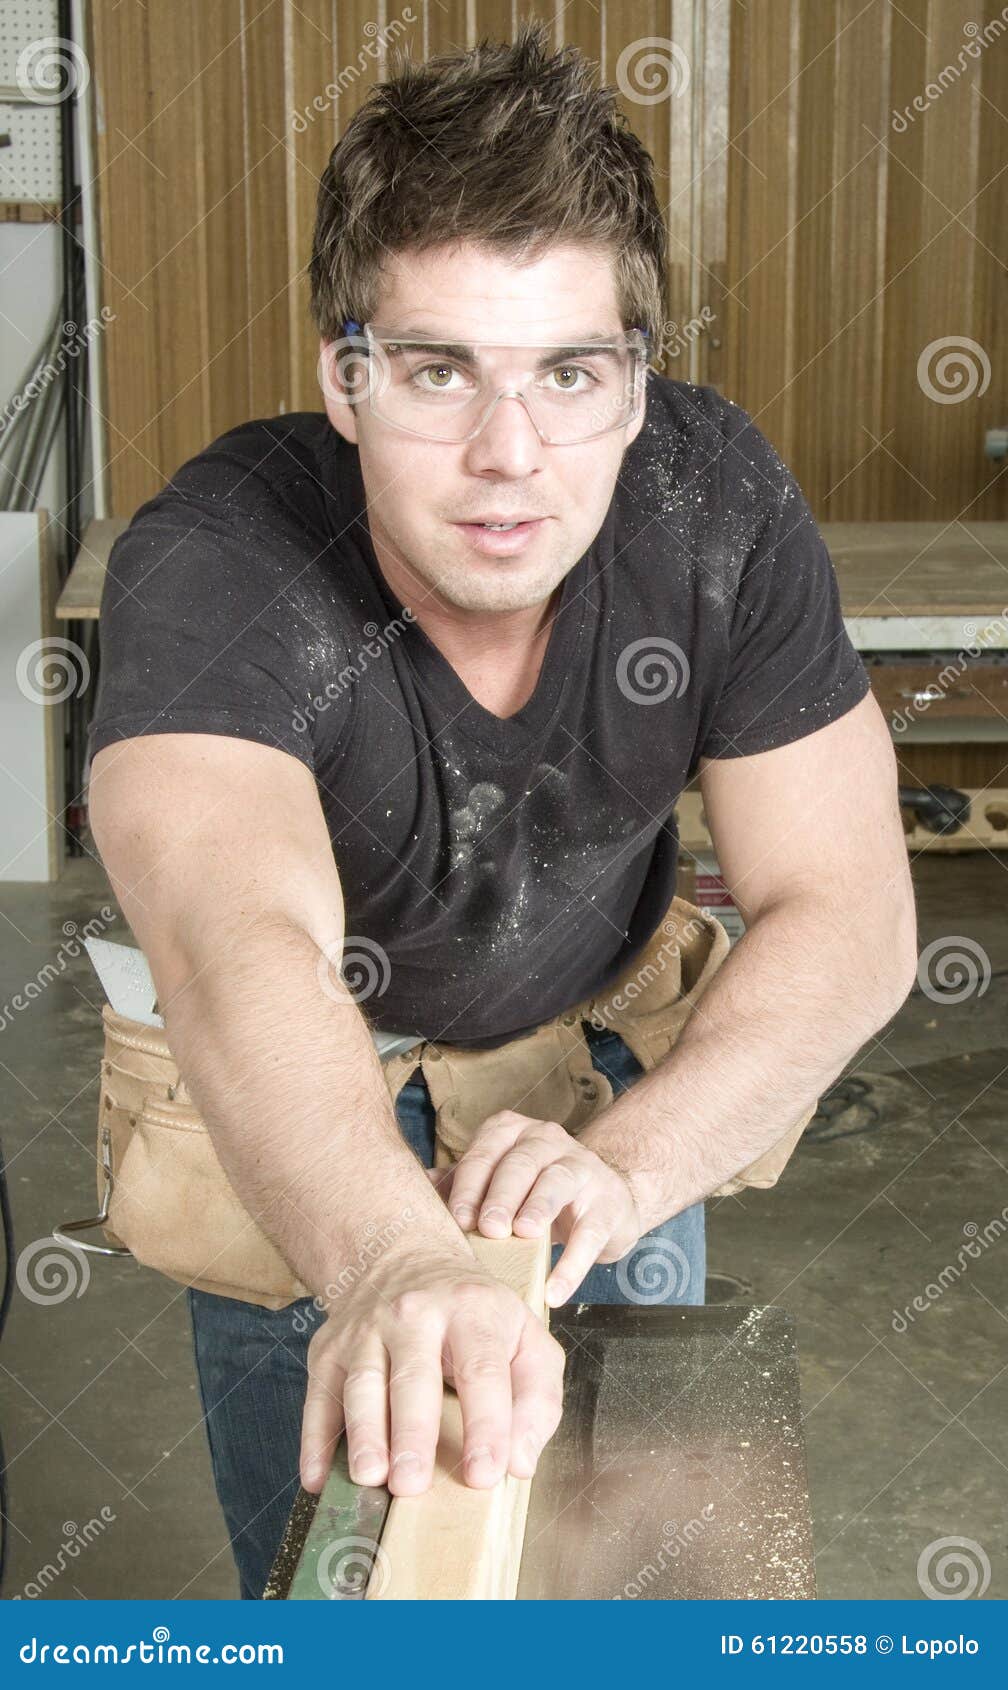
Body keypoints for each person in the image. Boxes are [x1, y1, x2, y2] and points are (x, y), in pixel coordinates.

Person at [85, 23, 917, 1598]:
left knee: (625, 1589)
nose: (506, 453)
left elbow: (854, 909)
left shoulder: (709, 499)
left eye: (569, 372)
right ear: (347, 376)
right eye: (437, 367)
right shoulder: (219, 557)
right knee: (364, 1598)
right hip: (316, 1116)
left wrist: (631, 1162)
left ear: (633, 383)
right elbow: (234, 943)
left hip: (590, 1103)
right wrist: (391, 1257)